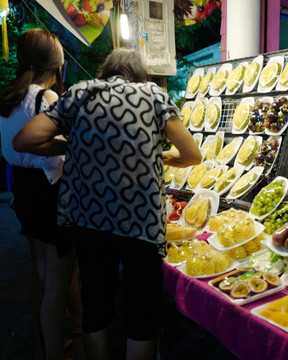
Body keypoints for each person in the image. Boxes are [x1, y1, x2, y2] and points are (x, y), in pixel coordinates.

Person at [13, 48, 202, 360]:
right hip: (140, 221)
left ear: (105, 72)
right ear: (141, 75)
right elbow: (192, 154)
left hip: (89, 219)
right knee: (141, 309)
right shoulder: (153, 95)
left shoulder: (78, 94)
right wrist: (162, 154)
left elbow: (24, 141)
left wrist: (74, 144)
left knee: (96, 304)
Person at [0, 28, 77, 360]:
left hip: (22, 185)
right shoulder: (46, 98)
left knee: (38, 273)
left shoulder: (9, 96)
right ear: (57, 62)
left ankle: (43, 345)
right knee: (57, 281)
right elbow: (66, 144)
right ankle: (52, 353)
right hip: (50, 190)